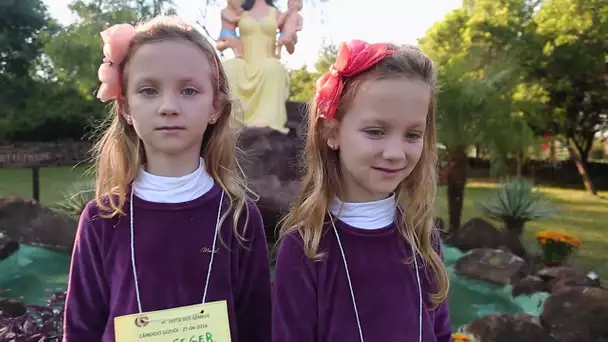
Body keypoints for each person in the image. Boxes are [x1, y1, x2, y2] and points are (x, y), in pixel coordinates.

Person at [62, 16, 271, 342]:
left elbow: (258, 327)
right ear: (126, 108)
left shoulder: (238, 217)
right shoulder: (101, 219)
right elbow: (80, 329)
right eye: (148, 90)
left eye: (189, 90)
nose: (169, 106)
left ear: (214, 107)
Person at [272, 40, 452, 342]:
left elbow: (441, 334)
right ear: (331, 132)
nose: (396, 152)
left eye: (412, 134)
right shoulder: (306, 249)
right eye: (375, 131)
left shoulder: (422, 238)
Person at [222, 0, 294, 134]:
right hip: (244, 63)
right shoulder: (236, 12)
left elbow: (290, 47)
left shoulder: (278, 14)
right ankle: (233, 122)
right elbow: (222, 40)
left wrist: (288, 39)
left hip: (268, 65)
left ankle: (267, 120)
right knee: (230, 67)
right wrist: (230, 42)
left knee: (273, 68)